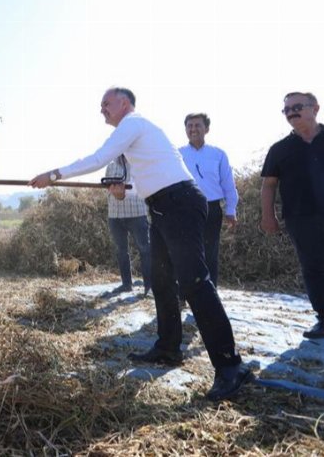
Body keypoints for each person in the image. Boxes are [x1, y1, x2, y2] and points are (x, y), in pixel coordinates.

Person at [29, 87, 251, 402]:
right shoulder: (138, 138)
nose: (101, 109)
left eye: (106, 103)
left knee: (195, 283)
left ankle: (231, 366)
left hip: (180, 203)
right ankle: (168, 348)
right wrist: (125, 193)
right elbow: (152, 182)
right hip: (162, 206)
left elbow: (98, 158)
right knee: (161, 281)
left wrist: (54, 174)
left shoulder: (133, 123)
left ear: (124, 103)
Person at [261, 92, 324, 339]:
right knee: (313, 267)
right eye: (286, 110)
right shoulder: (280, 149)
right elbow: (268, 185)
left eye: (297, 107)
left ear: (315, 108)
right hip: (301, 218)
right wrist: (268, 216)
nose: (291, 113)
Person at [179, 113, 239, 286]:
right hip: (185, 209)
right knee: (185, 253)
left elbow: (228, 183)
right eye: (189, 126)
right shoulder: (178, 154)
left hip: (211, 209)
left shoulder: (218, 154)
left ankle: (210, 294)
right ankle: (183, 295)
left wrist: (230, 209)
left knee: (209, 253)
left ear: (207, 129)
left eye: (197, 125)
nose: (193, 129)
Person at [104, 156, 152, 295]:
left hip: (136, 213)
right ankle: (126, 284)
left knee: (144, 249)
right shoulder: (110, 166)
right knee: (121, 250)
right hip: (115, 214)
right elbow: (108, 189)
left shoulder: (139, 164)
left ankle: (149, 287)